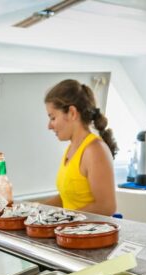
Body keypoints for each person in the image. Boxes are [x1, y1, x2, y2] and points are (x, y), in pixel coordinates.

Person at [43, 79, 118, 216]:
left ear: (72, 113)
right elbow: (66, 198)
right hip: (70, 233)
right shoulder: (71, 149)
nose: (49, 126)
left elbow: (106, 207)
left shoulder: (94, 150)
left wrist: (63, 219)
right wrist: (34, 208)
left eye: (53, 118)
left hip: (89, 235)